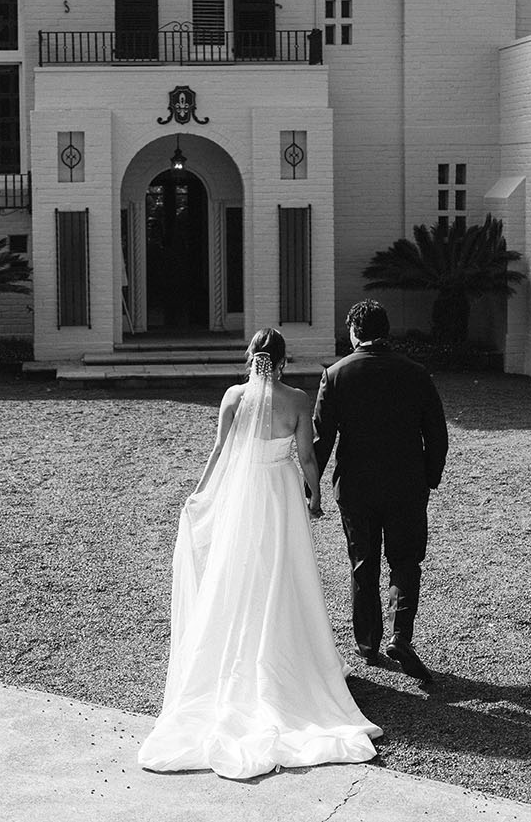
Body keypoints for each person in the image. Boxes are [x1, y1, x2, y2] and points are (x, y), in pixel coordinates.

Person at [138, 328, 381, 780]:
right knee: (282, 572)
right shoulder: (296, 399)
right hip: (278, 491)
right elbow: (307, 457)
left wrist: (202, 491)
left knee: (239, 569)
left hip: (240, 495)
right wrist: (314, 497)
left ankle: (237, 654)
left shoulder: (233, 395)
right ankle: (289, 656)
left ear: (251, 357)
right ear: (283, 360)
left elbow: (219, 451)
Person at [312, 300, 448, 684]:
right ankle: (400, 636)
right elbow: (436, 434)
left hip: (356, 487)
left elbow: (322, 440)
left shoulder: (336, 375)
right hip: (406, 484)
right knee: (406, 561)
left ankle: (368, 643)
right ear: (385, 331)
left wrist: (311, 488)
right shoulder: (415, 374)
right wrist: (429, 478)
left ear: (355, 331)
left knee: (363, 563)